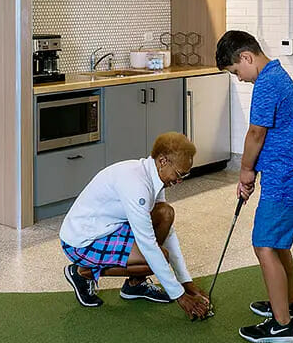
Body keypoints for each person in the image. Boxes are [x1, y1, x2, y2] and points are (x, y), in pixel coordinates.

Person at [216, 30, 293, 343]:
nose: (239, 79)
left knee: (264, 245)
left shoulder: (266, 84)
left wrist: (246, 171)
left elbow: (256, 134)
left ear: (246, 57)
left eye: (236, 71)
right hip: (291, 174)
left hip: (285, 179)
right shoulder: (276, 75)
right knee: (278, 244)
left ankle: (282, 325)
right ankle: (287, 305)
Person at [59, 132, 213, 321]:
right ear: (163, 161)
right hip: (81, 240)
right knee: (157, 258)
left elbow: (168, 233)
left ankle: (134, 285)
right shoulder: (137, 185)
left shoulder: (154, 177)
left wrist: (187, 284)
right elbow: (148, 245)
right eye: (179, 174)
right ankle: (82, 272)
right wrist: (180, 296)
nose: (179, 181)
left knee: (165, 213)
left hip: (109, 226)